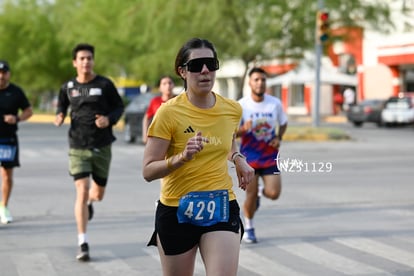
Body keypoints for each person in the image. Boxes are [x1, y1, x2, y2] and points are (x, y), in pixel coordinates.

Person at [142, 38, 254, 276]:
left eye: (211, 64)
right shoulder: (168, 113)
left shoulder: (232, 109)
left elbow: (226, 140)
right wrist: (182, 157)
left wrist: (237, 158)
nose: (205, 71)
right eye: (196, 65)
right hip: (177, 210)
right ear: (182, 71)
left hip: (221, 206)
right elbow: (148, 170)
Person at [54, 43, 124, 261]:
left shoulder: (104, 84)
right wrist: (59, 115)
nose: (86, 62)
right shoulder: (68, 87)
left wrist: (109, 119)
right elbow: (62, 106)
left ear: (93, 61)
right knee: (82, 191)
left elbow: (119, 107)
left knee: (97, 194)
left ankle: (91, 204)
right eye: (82, 58)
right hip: (78, 146)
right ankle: (82, 242)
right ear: (75, 62)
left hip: (102, 146)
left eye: (89, 58)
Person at [237, 67, 288, 243]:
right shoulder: (241, 105)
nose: (260, 83)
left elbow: (283, 122)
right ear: (250, 83)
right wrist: (243, 129)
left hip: (269, 156)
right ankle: (249, 228)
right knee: (249, 196)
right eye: (256, 79)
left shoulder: (274, 103)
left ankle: (261, 191)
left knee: (274, 193)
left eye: (263, 80)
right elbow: (231, 133)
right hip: (248, 158)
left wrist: (278, 137)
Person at [0, 60, 33, 224]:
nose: (1, 76)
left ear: (9, 74)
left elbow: (29, 110)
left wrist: (18, 118)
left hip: (7, 139)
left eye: (4, 72)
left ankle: (3, 207)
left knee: (7, 176)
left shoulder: (16, 92)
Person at [142, 75, 175, 144]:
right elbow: (146, 118)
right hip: (159, 138)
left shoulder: (179, 101)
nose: (168, 86)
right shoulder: (155, 101)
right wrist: (145, 135)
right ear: (160, 88)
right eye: (164, 84)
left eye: (170, 83)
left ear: (173, 85)